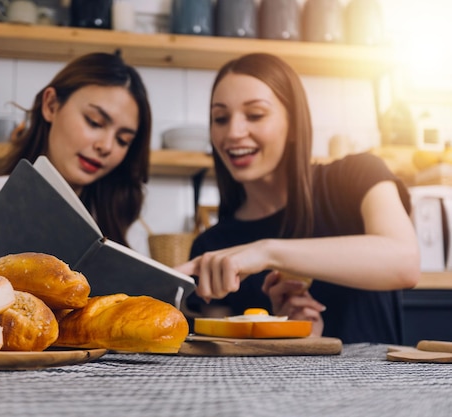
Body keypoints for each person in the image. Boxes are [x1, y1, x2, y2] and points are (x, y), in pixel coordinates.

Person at [177, 53, 420, 344]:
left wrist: (267, 251)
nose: (233, 132)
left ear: (293, 124)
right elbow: (220, 362)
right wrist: (292, 335)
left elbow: (404, 262)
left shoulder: (357, 176)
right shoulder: (213, 247)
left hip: (381, 388)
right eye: (220, 118)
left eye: (255, 115)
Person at [0, 52, 152, 268]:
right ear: (51, 105)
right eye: (94, 122)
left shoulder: (126, 229)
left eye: (123, 140)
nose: (106, 146)